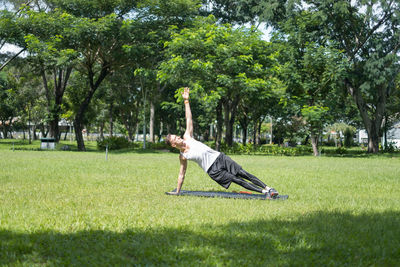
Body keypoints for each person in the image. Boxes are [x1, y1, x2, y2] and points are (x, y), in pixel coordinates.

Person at [165, 87, 279, 198]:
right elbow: (182, 174)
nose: (179, 137)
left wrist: (186, 101)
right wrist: (178, 191)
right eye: (175, 139)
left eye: (177, 136)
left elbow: (188, 118)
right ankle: (264, 192)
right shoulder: (183, 156)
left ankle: (268, 188)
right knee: (236, 180)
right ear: (174, 144)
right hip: (212, 170)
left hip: (220, 157)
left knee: (242, 173)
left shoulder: (187, 137)